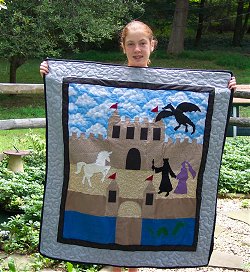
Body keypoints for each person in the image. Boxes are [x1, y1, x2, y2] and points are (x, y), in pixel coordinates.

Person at [40, 20, 237, 272]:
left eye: (142, 43)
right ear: (123, 47)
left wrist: (223, 90)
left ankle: (131, 267)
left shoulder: (167, 84)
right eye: (131, 44)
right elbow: (65, 86)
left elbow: (207, 101)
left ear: (152, 45)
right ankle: (116, 266)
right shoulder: (104, 83)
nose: (137, 49)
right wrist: (51, 74)